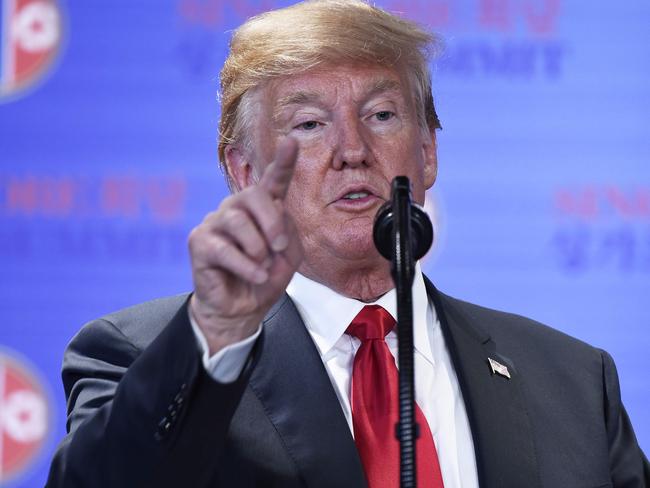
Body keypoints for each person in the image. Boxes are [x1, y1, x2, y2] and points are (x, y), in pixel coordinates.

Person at [47, 1, 648, 487]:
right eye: (309, 124)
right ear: (247, 172)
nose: (352, 150)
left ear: (429, 151)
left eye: (382, 115)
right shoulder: (142, 355)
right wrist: (216, 336)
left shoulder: (572, 379)